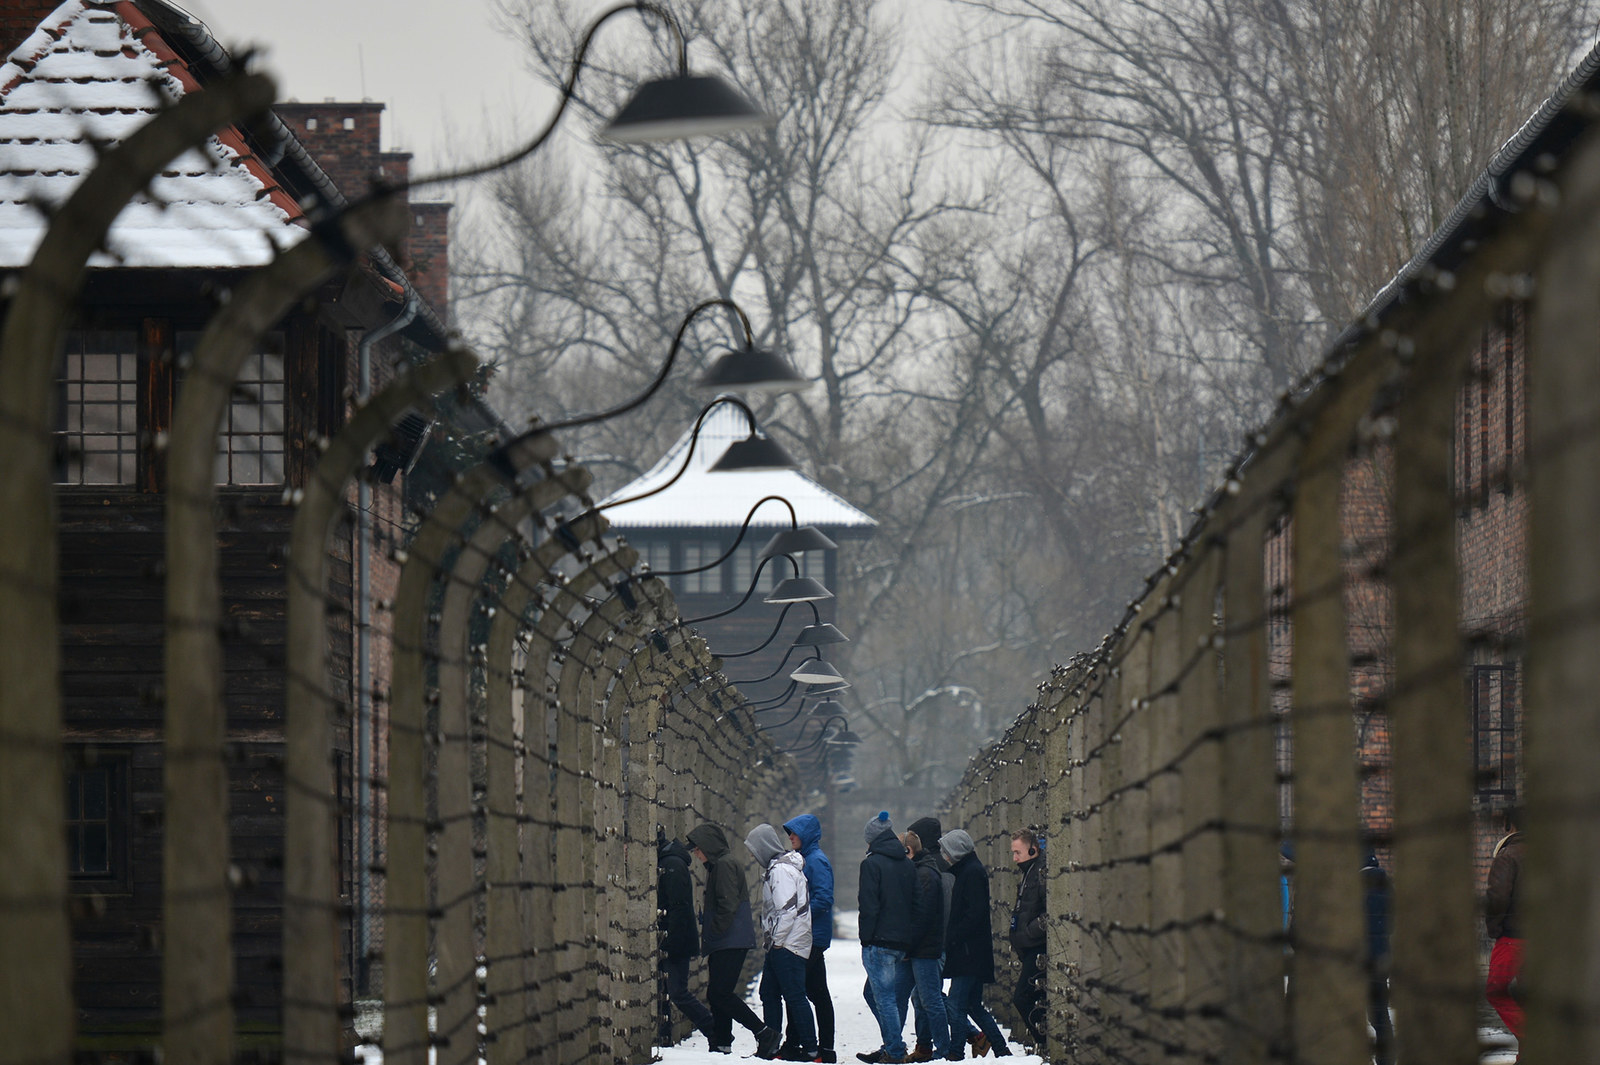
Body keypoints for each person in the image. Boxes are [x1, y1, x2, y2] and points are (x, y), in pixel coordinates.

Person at [687, 822, 782, 1058]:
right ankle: (722, 1041)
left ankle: (763, 1032)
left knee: (719, 993)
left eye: (698, 849)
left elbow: (727, 904)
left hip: (730, 939)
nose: (696, 854)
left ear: (708, 847)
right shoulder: (720, 865)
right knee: (719, 992)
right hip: (727, 939)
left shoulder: (725, 865)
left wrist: (715, 929)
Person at [747, 824, 818, 1062]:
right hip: (785, 943)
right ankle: (773, 1043)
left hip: (787, 944)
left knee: (793, 996)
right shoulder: (781, 869)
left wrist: (776, 942)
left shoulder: (780, 872)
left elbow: (787, 910)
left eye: (754, 850)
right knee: (770, 992)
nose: (752, 855)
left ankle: (810, 1048)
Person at [940, 829, 1011, 1059]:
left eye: (947, 851)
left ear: (956, 852)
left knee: (956, 1004)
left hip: (967, 953)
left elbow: (974, 913)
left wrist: (954, 937)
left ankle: (955, 1052)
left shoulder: (970, 873)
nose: (944, 855)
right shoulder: (969, 871)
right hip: (972, 952)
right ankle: (1001, 1049)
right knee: (972, 1004)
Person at [858, 811, 917, 1064]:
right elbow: (915, 902)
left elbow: (869, 905)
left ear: (872, 840)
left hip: (879, 941)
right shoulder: (906, 863)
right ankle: (892, 1044)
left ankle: (894, 1050)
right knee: (876, 995)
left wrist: (866, 938)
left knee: (883, 998)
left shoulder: (871, 864)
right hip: (901, 942)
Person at [784, 813, 839, 1064]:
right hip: (811, 935)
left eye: (794, 833)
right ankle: (824, 1048)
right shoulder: (808, 859)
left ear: (806, 835)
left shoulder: (815, 861)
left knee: (796, 989)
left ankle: (797, 1044)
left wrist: (798, 916)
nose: (791, 837)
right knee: (817, 992)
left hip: (810, 936)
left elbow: (824, 898)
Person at [657, 829, 717, 1047]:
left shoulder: (671, 864)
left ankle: (713, 1028)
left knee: (677, 992)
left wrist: (671, 942)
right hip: (671, 937)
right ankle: (663, 1037)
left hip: (675, 939)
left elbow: (679, 907)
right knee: (665, 990)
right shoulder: (668, 861)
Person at [897, 827, 950, 1062]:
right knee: (921, 998)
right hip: (920, 948)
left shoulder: (924, 875)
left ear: (908, 851)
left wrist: (908, 947)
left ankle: (945, 1049)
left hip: (924, 949)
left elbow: (922, 916)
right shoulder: (922, 871)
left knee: (931, 1000)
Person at [1485, 807, 1525, 1050]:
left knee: (1495, 991)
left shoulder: (1508, 856)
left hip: (1513, 937)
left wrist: (1494, 929)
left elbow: (1496, 898)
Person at [1007, 829, 1047, 1050]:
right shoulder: (1029, 871)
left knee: (1023, 998)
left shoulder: (1040, 872)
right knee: (1036, 998)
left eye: (1017, 852)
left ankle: (1045, 1042)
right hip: (1028, 947)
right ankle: (1045, 1041)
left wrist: (1027, 933)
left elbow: (1049, 911)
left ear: (1032, 849)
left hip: (1038, 947)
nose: (1014, 858)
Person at [1362, 848, 1394, 1065]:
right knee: (1379, 1013)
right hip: (1380, 955)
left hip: (1357, 958)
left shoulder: (1356, 886)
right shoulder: (1386, 884)